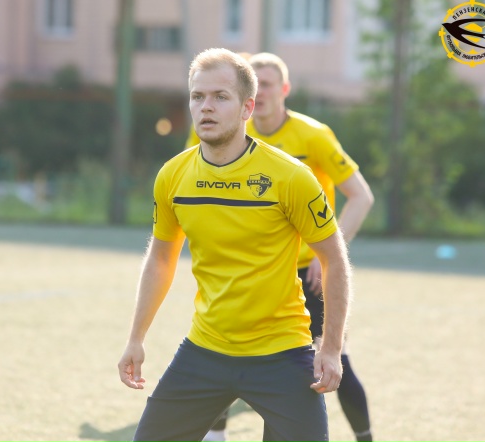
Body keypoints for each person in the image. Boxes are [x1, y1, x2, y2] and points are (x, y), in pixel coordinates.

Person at [118, 48, 352, 442]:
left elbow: (334, 260)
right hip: (204, 350)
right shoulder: (173, 175)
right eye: (197, 96)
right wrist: (136, 338)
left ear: (247, 108)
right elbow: (160, 259)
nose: (206, 107)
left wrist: (330, 348)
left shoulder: (291, 177)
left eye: (220, 97)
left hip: (282, 354)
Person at [190, 53, 375, 442]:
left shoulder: (313, 136)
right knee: (225, 352)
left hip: (309, 275)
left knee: (332, 360)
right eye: (255, 82)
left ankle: (365, 437)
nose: (261, 90)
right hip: (250, 272)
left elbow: (361, 196)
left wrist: (330, 254)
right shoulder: (222, 132)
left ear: (284, 89)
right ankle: (216, 436)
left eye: (269, 83)